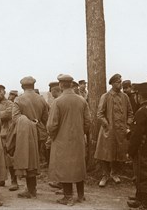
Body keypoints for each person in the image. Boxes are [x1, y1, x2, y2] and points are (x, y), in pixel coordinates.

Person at [47, 74, 91, 206]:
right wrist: (81, 132)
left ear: (60, 85)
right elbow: (88, 122)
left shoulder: (58, 102)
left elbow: (51, 125)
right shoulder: (82, 100)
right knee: (78, 166)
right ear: (71, 84)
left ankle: (68, 196)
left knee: (65, 167)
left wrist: (53, 136)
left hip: (62, 140)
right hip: (78, 139)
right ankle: (81, 195)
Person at [12, 76, 48, 198]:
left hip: (24, 134)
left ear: (22, 87)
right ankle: (32, 189)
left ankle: (30, 190)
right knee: (34, 159)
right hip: (38, 133)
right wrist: (35, 124)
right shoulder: (41, 99)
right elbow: (45, 118)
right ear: (33, 86)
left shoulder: (19, 99)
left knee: (27, 160)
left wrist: (27, 122)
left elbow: (15, 118)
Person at [94, 74, 133, 187]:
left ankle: (114, 173)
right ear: (112, 84)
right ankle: (105, 175)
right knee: (106, 153)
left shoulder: (125, 97)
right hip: (108, 131)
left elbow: (130, 113)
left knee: (117, 153)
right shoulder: (105, 96)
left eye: (120, 81)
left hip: (121, 131)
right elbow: (99, 114)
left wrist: (127, 124)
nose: (120, 84)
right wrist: (107, 125)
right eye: (117, 82)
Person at [127, 83, 147, 210]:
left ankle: (146, 205)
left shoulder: (142, 111)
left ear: (140, 96)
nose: (134, 97)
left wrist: (130, 150)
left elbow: (137, 135)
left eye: (135, 95)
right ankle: (140, 199)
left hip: (141, 148)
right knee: (140, 175)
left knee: (143, 175)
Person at [0, 84, 19, 191]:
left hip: (7, 134)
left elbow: (8, 115)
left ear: (4, 92)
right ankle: (1, 179)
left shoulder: (10, 103)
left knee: (10, 158)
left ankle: (14, 181)